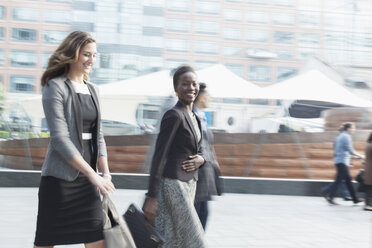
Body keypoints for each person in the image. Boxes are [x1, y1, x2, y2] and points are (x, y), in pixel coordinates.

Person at [33, 31, 115, 248]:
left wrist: (104, 173)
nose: (91, 60)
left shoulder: (94, 90)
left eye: (94, 55)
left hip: (88, 182)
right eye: (86, 54)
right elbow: (60, 139)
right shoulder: (55, 86)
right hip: (60, 181)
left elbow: (98, 136)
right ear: (73, 53)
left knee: (98, 241)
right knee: (45, 243)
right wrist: (93, 175)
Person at [143, 65, 206, 248]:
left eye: (194, 84)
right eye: (185, 84)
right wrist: (152, 195)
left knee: (174, 238)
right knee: (195, 239)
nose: (191, 88)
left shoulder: (195, 116)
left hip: (190, 185)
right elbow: (159, 155)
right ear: (176, 88)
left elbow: (200, 150)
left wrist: (202, 159)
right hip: (172, 184)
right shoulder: (173, 115)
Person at [193, 83, 222, 230]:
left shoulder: (202, 117)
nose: (210, 99)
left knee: (203, 214)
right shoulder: (193, 116)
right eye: (209, 96)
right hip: (197, 176)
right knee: (198, 216)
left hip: (205, 175)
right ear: (202, 98)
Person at [321, 122, 364, 205]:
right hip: (342, 162)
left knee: (347, 181)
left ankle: (355, 199)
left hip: (339, 161)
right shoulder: (346, 136)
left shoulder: (339, 137)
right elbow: (350, 150)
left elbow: (343, 151)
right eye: (353, 128)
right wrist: (361, 156)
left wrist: (355, 157)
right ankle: (329, 196)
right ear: (348, 129)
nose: (354, 130)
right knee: (339, 181)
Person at [363, 133, 372, 211]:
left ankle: (367, 204)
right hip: (371, 169)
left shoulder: (368, 144)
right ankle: (367, 205)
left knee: (369, 187)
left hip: (368, 168)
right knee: (369, 188)